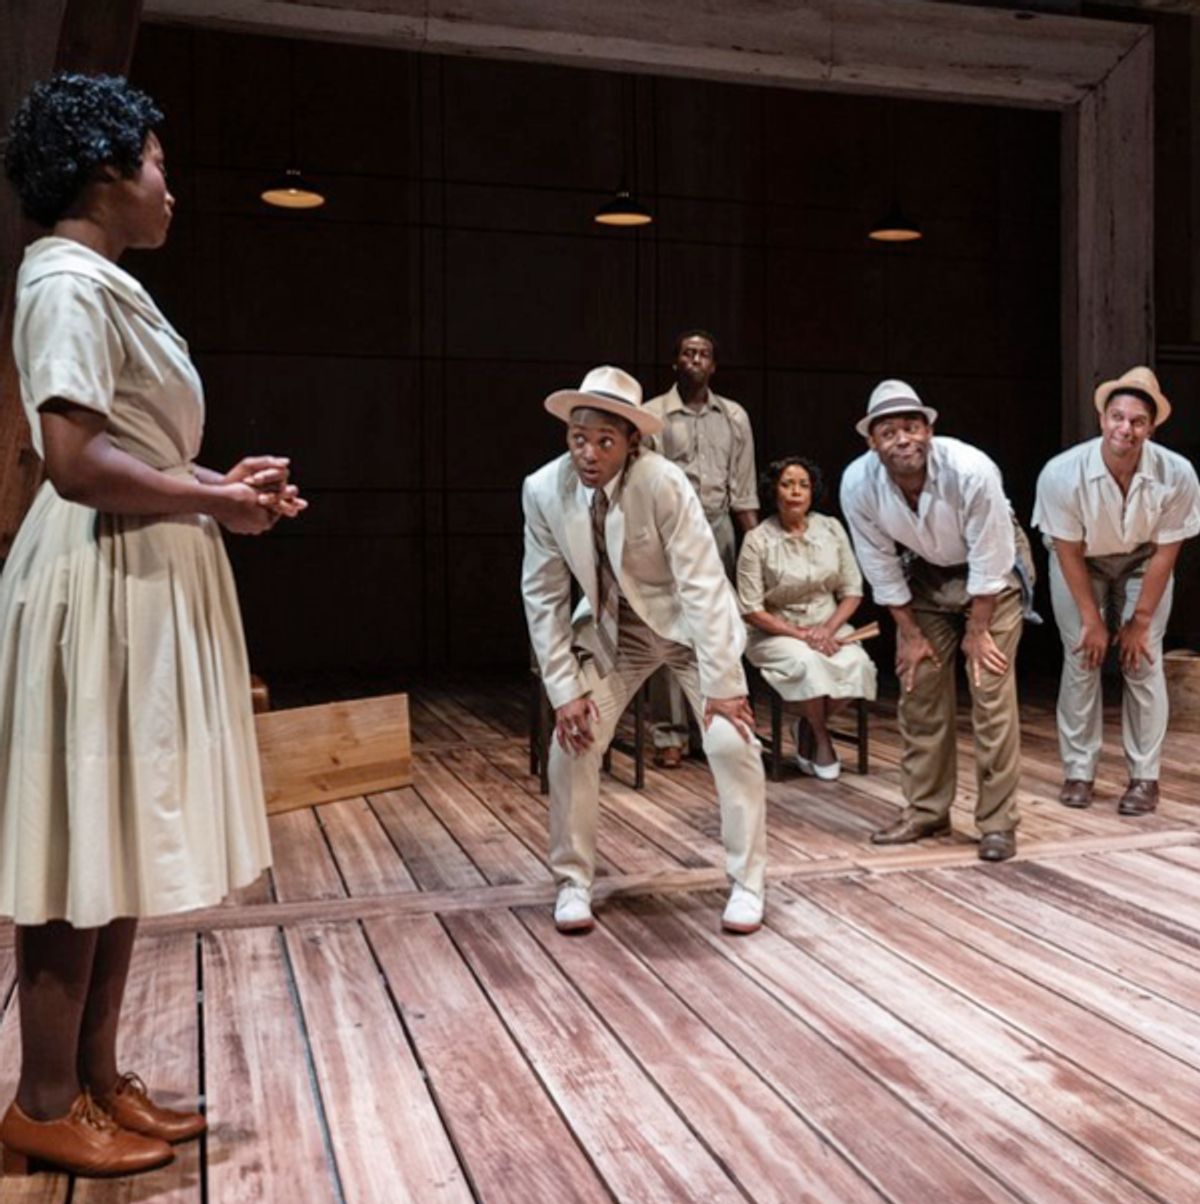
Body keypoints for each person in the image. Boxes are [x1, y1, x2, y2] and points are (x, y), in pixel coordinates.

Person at [0, 73, 306, 1178]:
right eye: (159, 163)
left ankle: (91, 1075)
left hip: (135, 574)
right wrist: (213, 500)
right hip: (98, 582)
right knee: (82, 836)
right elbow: (74, 464)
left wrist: (222, 484)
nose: (171, 185)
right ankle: (40, 1098)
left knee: (118, 831)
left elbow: (130, 445)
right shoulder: (68, 282)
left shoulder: (100, 280)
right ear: (104, 170)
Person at [522, 365, 768, 934]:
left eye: (604, 441)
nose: (588, 452)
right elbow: (542, 596)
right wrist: (564, 691)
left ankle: (748, 883)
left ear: (633, 441)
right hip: (618, 632)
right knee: (574, 741)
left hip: (687, 627)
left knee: (732, 741)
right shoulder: (542, 489)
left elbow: (705, 585)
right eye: (578, 438)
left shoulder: (661, 482)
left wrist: (726, 689)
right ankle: (573, 883)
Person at [840, 380, 1032, 862]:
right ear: (872, 442)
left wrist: (977, 629)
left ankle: (997, 822)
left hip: (994, 574)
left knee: (988, 686)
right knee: (919, 683)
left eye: (912, 427)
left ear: (929, 430)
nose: (903, 439)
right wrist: (908, 633)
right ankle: (926, 810)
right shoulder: (858, 483)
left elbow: (991, 555)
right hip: (926, 573)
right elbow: (879, 563)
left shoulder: (971, 469)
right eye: (890, 432)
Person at [1033, 366, 1200, 815]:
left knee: (1142, 659)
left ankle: (1145, 778)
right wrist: (1093, 621)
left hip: (1142, 559)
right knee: (1082, 656)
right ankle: (1079, 771)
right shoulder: (1062, 473)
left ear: (1151, 427)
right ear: (1103, 419)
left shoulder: (1177, 474)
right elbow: (1066, 550)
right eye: (1117, 417)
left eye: (1137, 421)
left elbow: (1167, 552)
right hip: (1081, 560)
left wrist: (1138, 622)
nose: (1125, 428)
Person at [642, 330, 759, 767]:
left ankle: (714, 723)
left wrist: (755, 544)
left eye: (704, 354)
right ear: (675, 362)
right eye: (688, 353)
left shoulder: (734, 416)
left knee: (718, 624)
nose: (695, 359)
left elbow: (743, 488)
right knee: (672, 627)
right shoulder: (654, 414)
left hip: (719, 523)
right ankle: (669, 734)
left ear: (713, 365)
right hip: (671, 528)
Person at [737, 456, 877, 780]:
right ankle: (822, 738)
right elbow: (751, 609)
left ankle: (806, 726)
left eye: (803, 485)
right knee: (809, 664)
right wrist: (803, 635)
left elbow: (853, 590)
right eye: (787, 484)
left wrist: (826, 630)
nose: (796, 492)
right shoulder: (757, 539)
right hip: (777, 632)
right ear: (774, 492)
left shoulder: (831, 528)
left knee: (857, 664)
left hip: (830, 625)